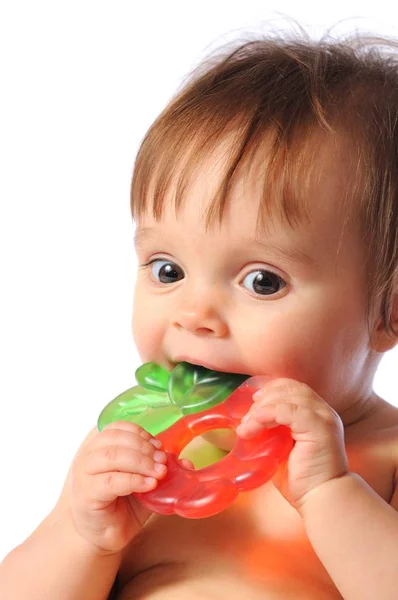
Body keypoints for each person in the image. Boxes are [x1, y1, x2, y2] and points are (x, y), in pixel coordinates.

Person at [1, 26, 398, 600]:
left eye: (262, 281)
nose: (195, 314)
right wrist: (82, 536)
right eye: (167, 269)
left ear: (388, 310)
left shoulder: (386, 459)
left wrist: (330, 494)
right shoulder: (146, 454)